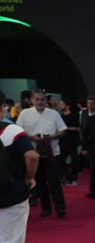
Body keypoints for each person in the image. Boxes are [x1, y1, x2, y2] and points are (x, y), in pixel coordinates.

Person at [1, 92, 39, 243]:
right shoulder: (11, 131)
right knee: (11, 240)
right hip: (11, 194)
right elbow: (32, 156)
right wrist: (29, 177)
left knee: (6, 238)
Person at [16, 89, 67, 218]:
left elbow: (63, 131)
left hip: (52, 152)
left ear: (46, 100)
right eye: (37, 99)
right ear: (32, 100)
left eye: (42, 99)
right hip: (34, 154)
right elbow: (19, 131)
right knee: (40, 182)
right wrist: (32, 138)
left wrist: (51, 137)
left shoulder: (54, 114)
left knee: (55, 181)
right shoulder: (24, 114)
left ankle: (60, 208)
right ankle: (46, 208)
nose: (40, 102)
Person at [58, 99, 81, 186]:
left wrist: (66, 128)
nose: (60, 106)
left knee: (74, 160)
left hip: (72, 140)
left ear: (67, 106)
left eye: (62, 104)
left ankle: (73, 178)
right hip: (62, 140)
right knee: (61, 159)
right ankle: (66, 177)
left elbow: (78, 128)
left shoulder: (74, 115)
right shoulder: (60, 116)